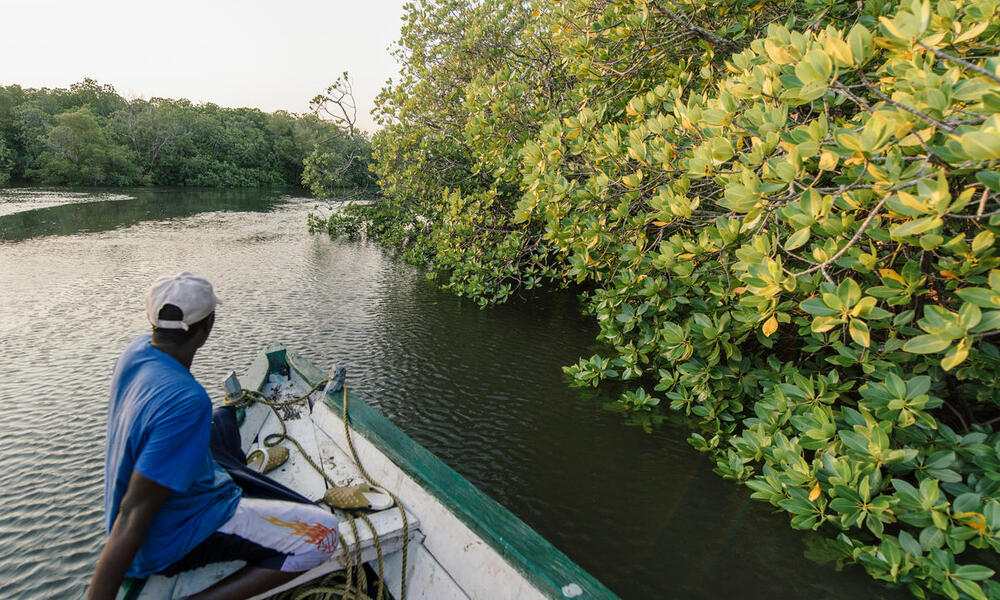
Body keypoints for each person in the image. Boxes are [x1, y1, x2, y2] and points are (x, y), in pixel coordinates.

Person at [88, 272, 338, 600]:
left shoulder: (134, 354)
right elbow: (134, 511)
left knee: (222, 422)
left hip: (174, 510)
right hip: (177, 535)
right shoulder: (187, 402)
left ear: (153, 323)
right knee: (324, 534)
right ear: (208, 327)